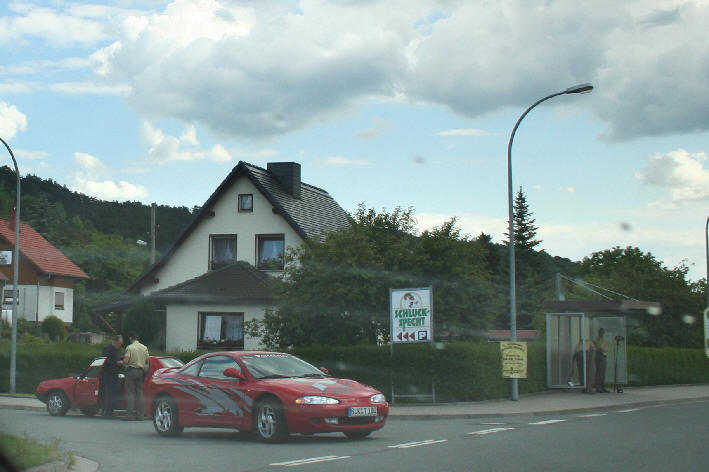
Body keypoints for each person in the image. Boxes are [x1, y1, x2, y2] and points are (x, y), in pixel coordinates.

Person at [123, 332, 150, 420]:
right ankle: (140, 415)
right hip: (141, 371)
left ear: (131, 338)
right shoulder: (144, 347)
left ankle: (130, 415)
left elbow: (126, 361)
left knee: (130, 393)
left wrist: (122, 362)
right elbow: (147, 361)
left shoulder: (130, 348)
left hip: (131, 371)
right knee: (139, 394)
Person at [99, 335, 123, 418]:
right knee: (108, 393)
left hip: (114, 374)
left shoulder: (117, 349)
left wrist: (122, 359)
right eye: (119, 343)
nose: (120, 345)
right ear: (115, 341)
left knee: (113, 393)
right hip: (108, 374)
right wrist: (116, 363)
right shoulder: (107, 349)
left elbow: (117, 358)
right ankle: (106, 411)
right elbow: (105, 361)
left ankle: (111, 411)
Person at [594, 328, 610, 393]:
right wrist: (604, 349)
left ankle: (602, 387)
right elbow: (600, 347)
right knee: (599, 372)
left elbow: (606, 348)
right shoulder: (597, 340)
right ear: (599, 332)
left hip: (603, 356)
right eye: (602, 332)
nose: (603, 333)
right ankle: (598, 387)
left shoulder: (602, 340)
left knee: (603, 373)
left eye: (603, 332)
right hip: (599, 357)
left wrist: (605, 349)